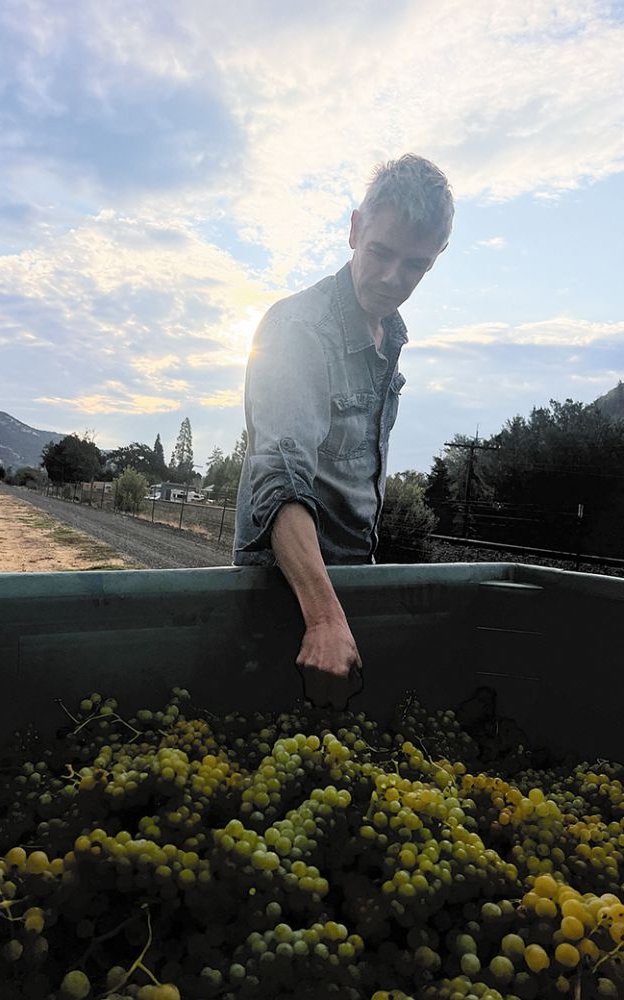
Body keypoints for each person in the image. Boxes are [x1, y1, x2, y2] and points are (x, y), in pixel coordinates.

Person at [233, 154, 454, 709]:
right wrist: (324, 618)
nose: (391, 277)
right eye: (381, 251)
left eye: (414, 266)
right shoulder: (298, 331)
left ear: (436, 259)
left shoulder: (391, 337)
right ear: (355, 229)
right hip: (290, 603)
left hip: (346, 593)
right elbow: (280, 481)